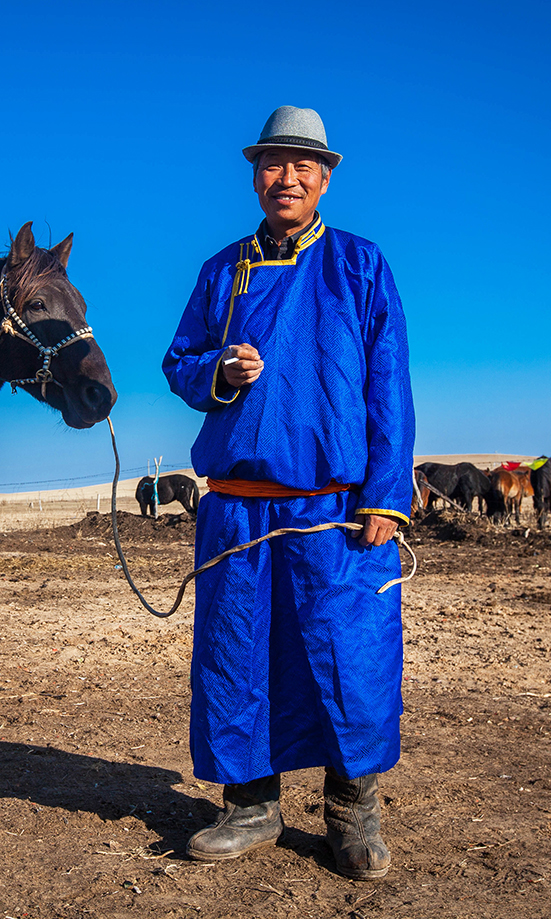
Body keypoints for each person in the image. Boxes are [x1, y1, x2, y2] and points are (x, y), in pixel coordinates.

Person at [162, 105, 415, 880]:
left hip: (336, 507)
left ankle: (351, 810)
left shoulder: (361, 266)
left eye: (304, 166)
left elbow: (388, 386)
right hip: (238, 501)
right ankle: (250, 804)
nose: (288, 177)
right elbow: (178, 362)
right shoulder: (220, 271)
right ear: (255, 173)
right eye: (275, 163)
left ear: (326, 179)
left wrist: (385, 495)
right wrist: (218, 372)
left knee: (349, 655)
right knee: (239, 655)